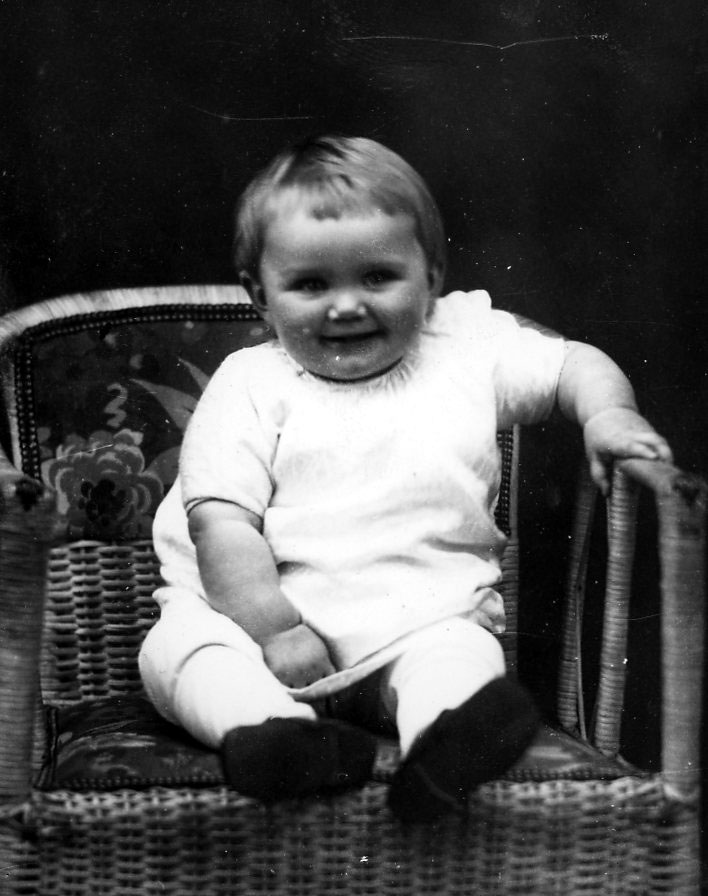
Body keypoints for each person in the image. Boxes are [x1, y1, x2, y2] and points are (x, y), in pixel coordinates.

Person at [139, 135, 672, 822]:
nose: (346, 306)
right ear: (260, 295)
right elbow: (221, 523)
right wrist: (275, 631)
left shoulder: (465, 349)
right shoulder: (250, 383)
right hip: (262, 632)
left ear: (431, 277)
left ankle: (443, 749)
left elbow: (573, 364)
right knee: (182, 652)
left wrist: (607, 414)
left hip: (414, 626)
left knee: (458, 652)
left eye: (377, 277)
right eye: (311, 285)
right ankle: (274, 736)